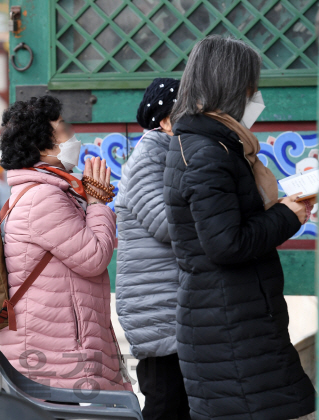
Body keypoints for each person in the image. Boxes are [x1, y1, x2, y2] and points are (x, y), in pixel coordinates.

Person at [163, 36, 316, 420]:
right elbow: (225, 244)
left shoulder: (216, 145)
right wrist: (286, 215)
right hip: (228, 330)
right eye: (251, 86)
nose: (256, 95)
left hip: (238, 321)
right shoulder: (206, 153)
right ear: (230, 86)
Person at [0, 95, 132, 392]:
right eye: (64, 130)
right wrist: (97, 202)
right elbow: (94, 256)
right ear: (43, 146)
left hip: (55, 338)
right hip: (53, 346)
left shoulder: (46, 189)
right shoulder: (43, 197)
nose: (73, 137)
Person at [115, 78, 189, 420]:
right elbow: (164, 224)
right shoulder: (149, 157)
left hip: (167, 301)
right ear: (164, 120)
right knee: (165, 403)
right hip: (156, 308)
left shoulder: (169, 153)